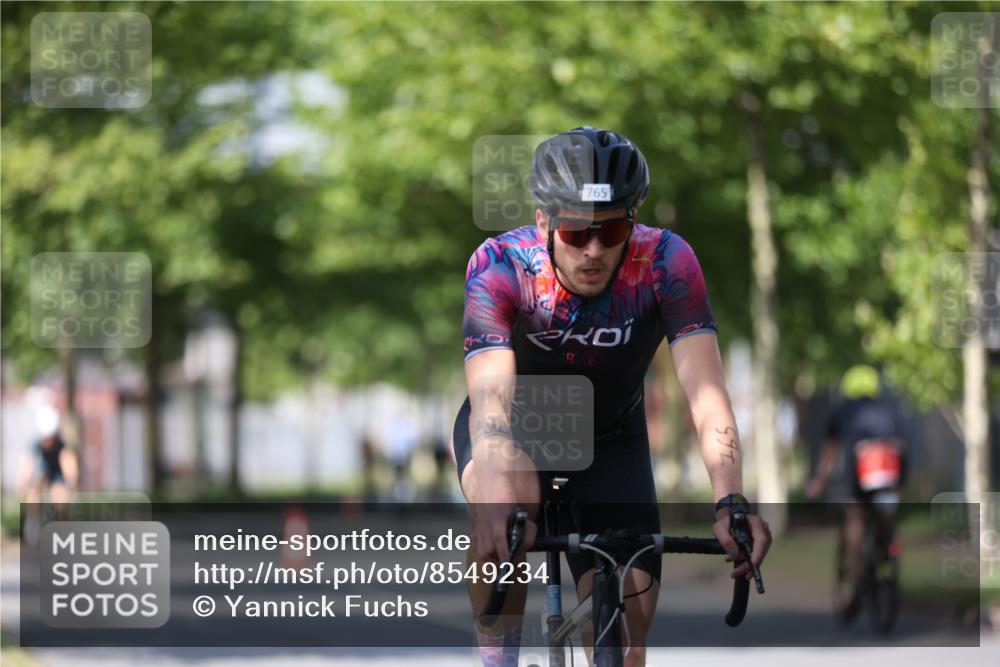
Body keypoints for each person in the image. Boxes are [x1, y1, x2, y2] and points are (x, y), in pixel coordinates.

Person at [454, 127, 772, 667]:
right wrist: (494, 497)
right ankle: (498, 659)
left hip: (612, 439)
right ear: (543, 222)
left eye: (614, 229)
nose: (596, 250)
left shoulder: (668, 262)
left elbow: (706, 394)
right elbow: (491, 401)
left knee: (627, 635)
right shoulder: (500, 266)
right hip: (518, 429)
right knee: (505, 506)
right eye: (577, 232)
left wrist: (730, 501)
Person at [806, 364, 907, 620]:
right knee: (884, 510)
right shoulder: (888, 410)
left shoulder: (843, 411)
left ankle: (857, 577)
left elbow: (830, 453)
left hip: (863, 471)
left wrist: (819, 481)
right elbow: (902, 446)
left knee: (855, 516)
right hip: (891, 470)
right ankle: (888, 543)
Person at [16, 405, 79, 543]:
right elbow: (27, 465)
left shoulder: (62, 443)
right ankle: (33, 524)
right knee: (34, 492)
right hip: (41, 473)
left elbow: (68, 462)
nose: (48, 441)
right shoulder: (34, 443)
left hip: (57, 473)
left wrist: (71, 483)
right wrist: (23, 483)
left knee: (61, 496)